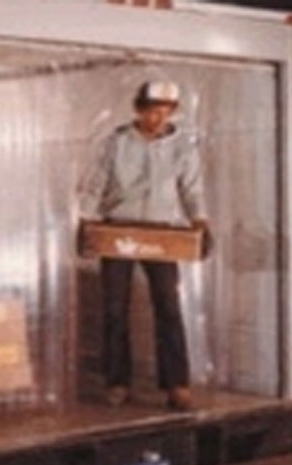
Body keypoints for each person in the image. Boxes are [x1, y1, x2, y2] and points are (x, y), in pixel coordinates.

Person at [78, 80, 210, 411]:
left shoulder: (183, 146)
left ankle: (176, 384)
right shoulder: (116, 143)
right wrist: (86, 222)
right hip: (118, 229)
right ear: (139, 109)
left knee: (168, 306)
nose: (158, 118)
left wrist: (200, 221)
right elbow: (95, 183)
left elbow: (192, 188)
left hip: (162, 232)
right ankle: (117, 382)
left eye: (165, 112)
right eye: (152, 111)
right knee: (114, 309)